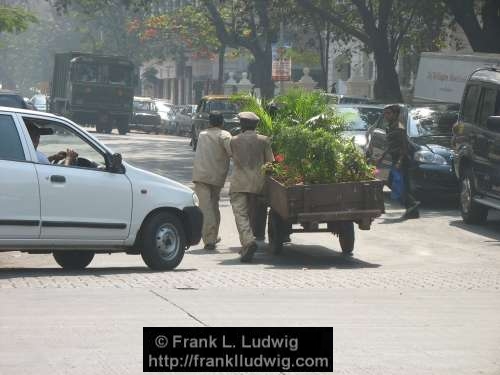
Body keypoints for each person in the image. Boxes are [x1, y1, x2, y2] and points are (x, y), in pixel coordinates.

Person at [229, 112, 274, 262]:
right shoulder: (264, 140)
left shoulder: (234, 141)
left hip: (239, 183)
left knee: (240, 214)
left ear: (242, 124)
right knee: (253, 214)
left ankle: (248, 242)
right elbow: (270, 163)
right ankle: (249, 241)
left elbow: (232, 157)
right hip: (258, 183)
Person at [192, 112, 232, 250]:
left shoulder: (202, 135)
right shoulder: (225, 135)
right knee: (213, 207)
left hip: (201, 176)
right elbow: (232, 153)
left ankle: (210, 238)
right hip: (217, 177)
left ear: (209, 122)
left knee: (206, 207)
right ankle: (211, 238)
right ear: (222, 122)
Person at [377, 104, 420, 219]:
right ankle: (411, 207)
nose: (386, 116)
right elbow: (391, 144)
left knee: (398, 183)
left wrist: (399, 161)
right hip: (395, 158)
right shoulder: (390, 126)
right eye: (385, 113)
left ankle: (412, 205)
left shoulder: (399, 127)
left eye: (389, 113)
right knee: (397, 183)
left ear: (395, 114)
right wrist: (383, 155)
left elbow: (404, 145)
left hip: (402, 159)